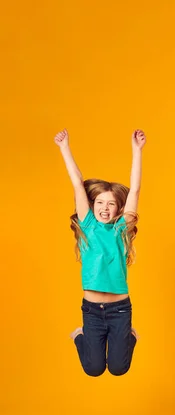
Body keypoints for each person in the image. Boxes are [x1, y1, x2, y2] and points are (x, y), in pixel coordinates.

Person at [54, 128, 146, 376]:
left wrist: (137, 151)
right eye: (100, 203)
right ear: (92, 205)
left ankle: (131, 336)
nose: (105, 208)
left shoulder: (120, 230)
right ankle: (79, 336)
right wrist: (65, 148)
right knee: (93, 369)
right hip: (92, 311)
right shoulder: (87, 226)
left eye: (111, 204)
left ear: (118, 209)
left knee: (118, 368)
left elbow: (135, 191)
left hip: (119, 310)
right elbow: (77, 183)